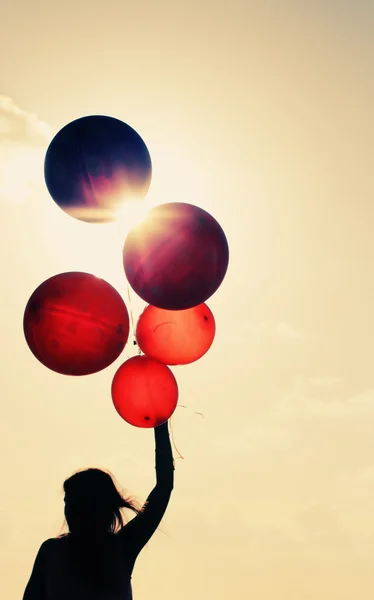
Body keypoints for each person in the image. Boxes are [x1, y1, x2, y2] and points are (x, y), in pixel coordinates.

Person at [22, 421, 174, 599]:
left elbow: (163, 487)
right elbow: (164, 487)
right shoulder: (53, 553)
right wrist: (160, 422)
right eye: (67, 503)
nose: (70, 512)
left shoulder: (120, 548)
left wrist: (160, 422)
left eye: (77, 504)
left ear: (97, 508)